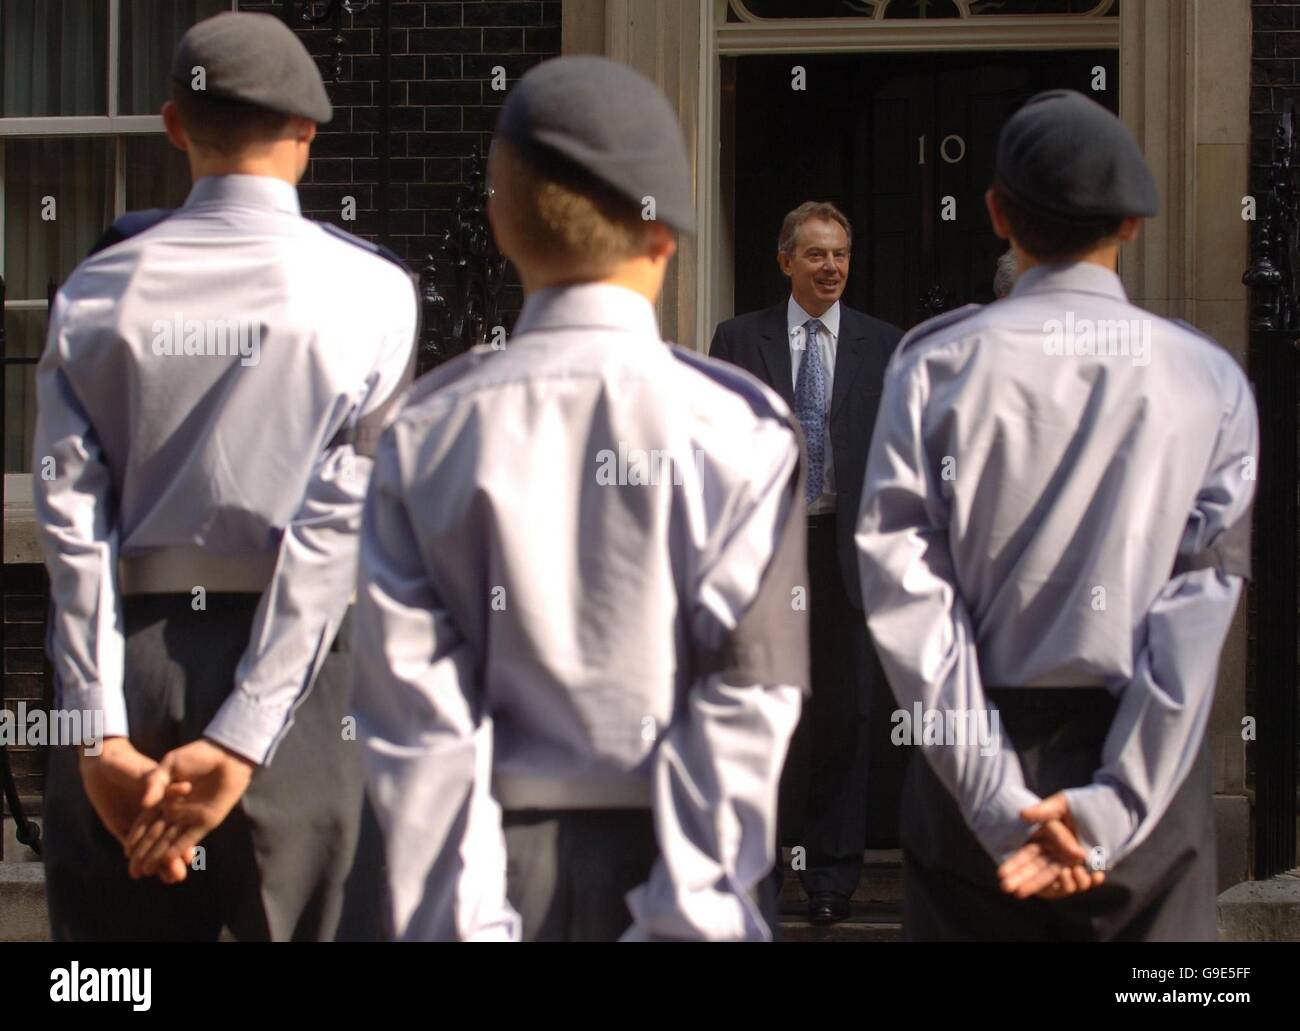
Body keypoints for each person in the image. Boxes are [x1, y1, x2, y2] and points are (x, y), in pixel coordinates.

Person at [353, 55, 808, 942]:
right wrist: (684, 917)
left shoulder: (424, 432)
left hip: (487, 864)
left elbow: (417, 721)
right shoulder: (742, 429)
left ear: (502, 224)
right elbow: (750, 699)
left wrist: (469, 922)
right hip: (674, 862)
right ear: (667, 235)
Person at [33, 11, 416, 941]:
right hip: (308, 674)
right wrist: (244, 731)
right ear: (307, 133)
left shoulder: (95, 288)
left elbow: (70, 519)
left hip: (130, 657)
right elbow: (336, 529)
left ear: (173, 126)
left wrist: (98, 728)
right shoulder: (373, 292)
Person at [856, 89, 1257, 941]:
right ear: (1134, 225)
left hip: (971, 762)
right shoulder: (1208, 380)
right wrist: (1113, 806)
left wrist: (996, 797)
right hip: (1148, 767)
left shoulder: (935, 366)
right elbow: (1200, 607)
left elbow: (908, 599)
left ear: (997, 213)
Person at [709, 202, 902, 926]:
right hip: (768, 554)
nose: (831, 267)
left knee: (846, 716)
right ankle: (758, 868)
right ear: (785, 259)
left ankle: (830, 876)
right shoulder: (738, 338)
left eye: (841, 254)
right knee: (765, 712)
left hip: (846, 553)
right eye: (817, 254)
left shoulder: (883, 344)